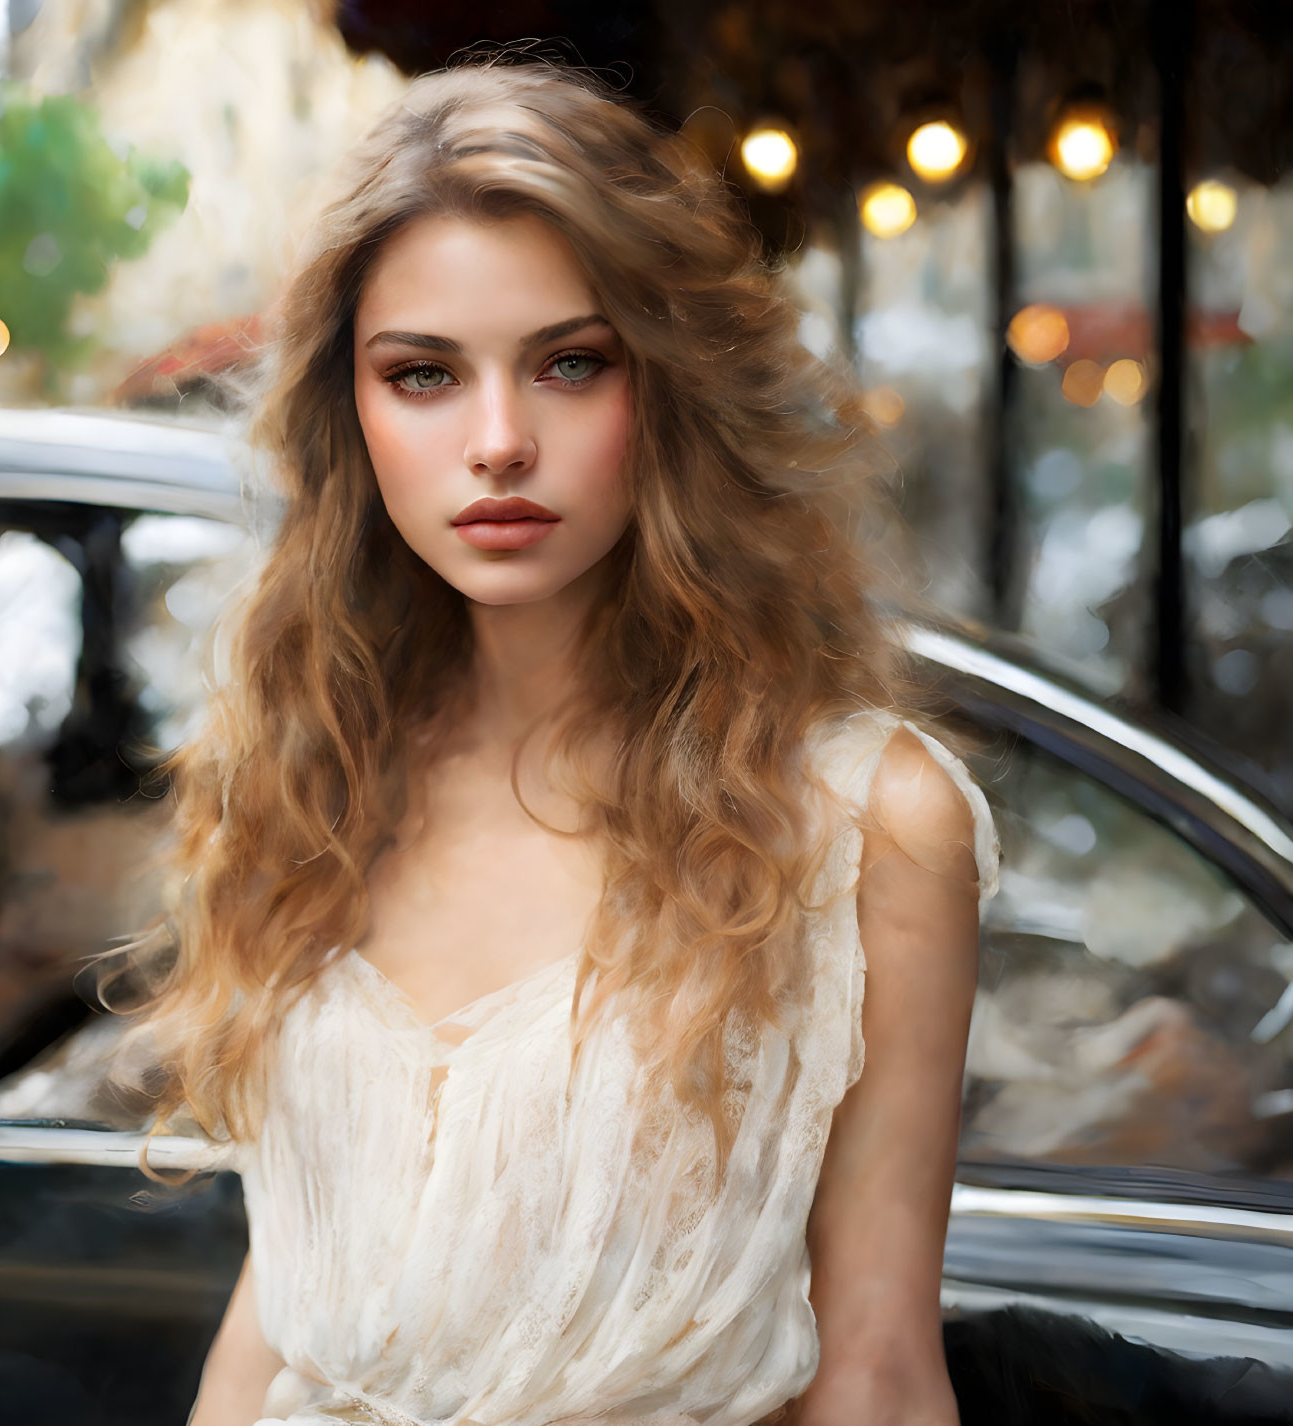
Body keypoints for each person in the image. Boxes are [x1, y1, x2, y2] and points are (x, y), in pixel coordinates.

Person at [102, 50, 999, 1426]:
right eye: (424, 376)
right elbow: (287, 1309)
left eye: (571, 363)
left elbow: (876, 1366)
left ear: (670, 392)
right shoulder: (310, 780)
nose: (500, 441)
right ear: (350, 413)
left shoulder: (861, 817)